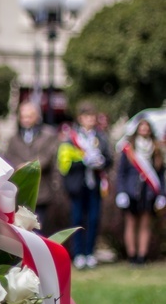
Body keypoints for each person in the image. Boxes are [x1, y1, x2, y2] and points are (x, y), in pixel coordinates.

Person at [57, 102, 113, 269]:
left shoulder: (100, 137)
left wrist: (101, 162)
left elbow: (110, 158)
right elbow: (64, 163)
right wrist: (82, 162)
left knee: (94, 218)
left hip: (94, 183)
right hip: (78, 184)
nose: (89, 120)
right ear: (80, 118)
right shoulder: (71, 138)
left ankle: (90, 252)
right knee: (77, 218)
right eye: (86, 117)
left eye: (92, 117)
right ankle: (78, 253)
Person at [115, 118, 166, 265]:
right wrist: (121, 191)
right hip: (131, 191)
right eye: (141, 127)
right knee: (130, 223)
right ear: (137, 130)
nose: (144, 130)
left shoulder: (156, 150)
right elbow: (121, 173)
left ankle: (142, 256)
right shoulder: (128, 150)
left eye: (146, 127)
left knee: (145, 224)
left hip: (149, 192)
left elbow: (160, 174)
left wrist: (162, 194)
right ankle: (132, 256)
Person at [4, 101, 60, 232]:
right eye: (23, 116)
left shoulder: (48, 135)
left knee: (37, 229)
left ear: (37, 117)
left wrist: (30, 166)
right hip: (19, 191)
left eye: (29, 116)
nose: (26, 120)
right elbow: (9, 157)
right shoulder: (14, 138)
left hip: (41, 191)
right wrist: (20, 167)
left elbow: (48, 156)